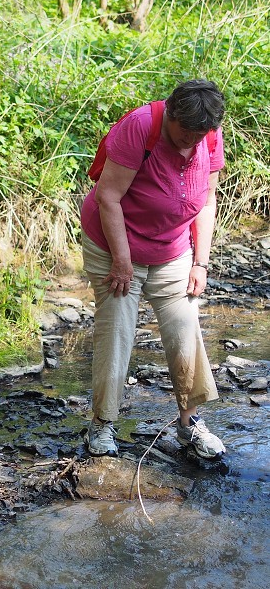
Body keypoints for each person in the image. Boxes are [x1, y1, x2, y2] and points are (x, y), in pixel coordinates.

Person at [80, 79, 226, 460]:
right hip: (114, 241)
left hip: (173, 247)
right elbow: (108, 196)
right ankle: (102, 425)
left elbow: (208, 199)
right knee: (117, 331)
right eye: (185, 133)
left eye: (200, 135)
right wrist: (122, 261)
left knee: (185, 329)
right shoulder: (140, 127)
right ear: (171, 115)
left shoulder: (207, 134)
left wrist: (200, 262)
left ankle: (189, 421)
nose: (191, 142)